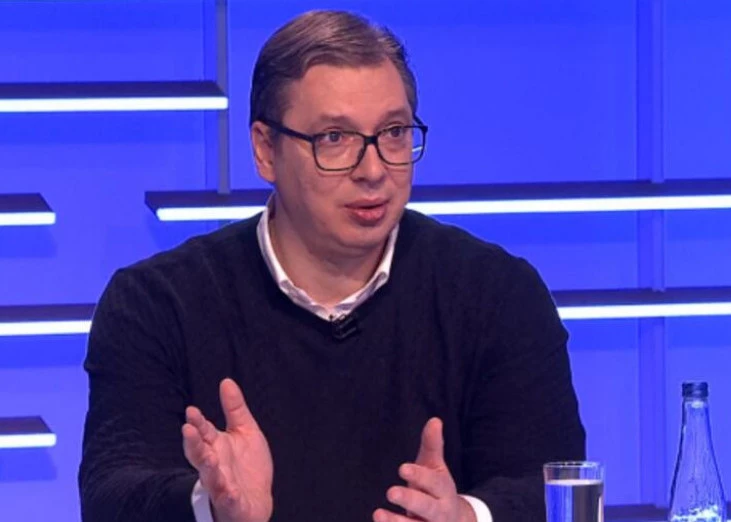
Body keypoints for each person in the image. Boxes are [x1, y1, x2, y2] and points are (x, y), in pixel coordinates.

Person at [78, 9, 585, 522]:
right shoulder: (158, 304)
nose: (374, 170)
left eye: (394, 132)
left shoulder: (497, 294)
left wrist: (468, 517)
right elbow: (111, 496)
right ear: (265, 150)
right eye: (334, 139)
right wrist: (212, 505)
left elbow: (555, 489)